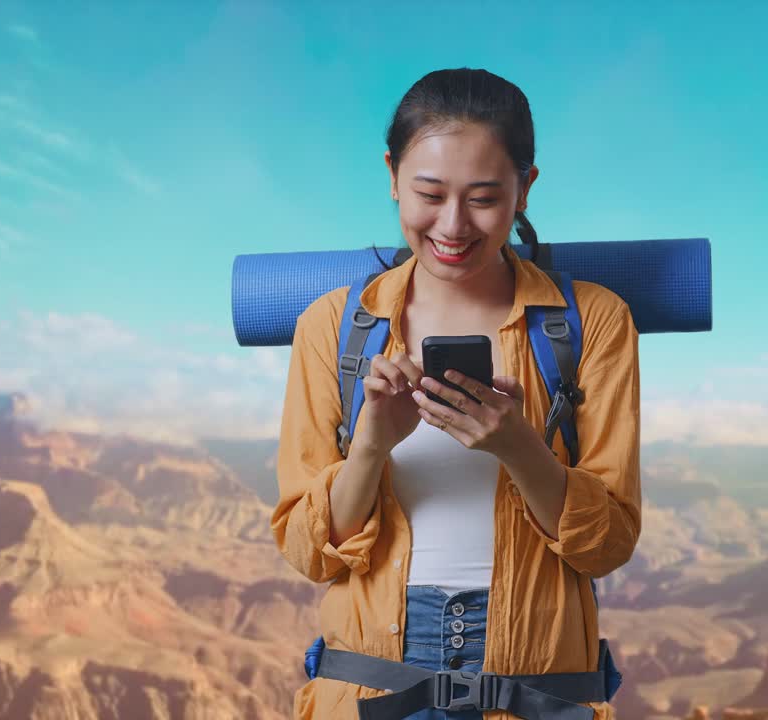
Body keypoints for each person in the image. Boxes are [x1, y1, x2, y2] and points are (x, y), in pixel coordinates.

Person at [273, 67, 641, 720]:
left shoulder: (593, 323)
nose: (452, 224)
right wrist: (369, 450)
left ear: (525, 188)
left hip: (536, 691)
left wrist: (522, 449)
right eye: (429, 192)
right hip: (367, 688)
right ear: (392, 176)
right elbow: (309, 553)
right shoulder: (332, 327)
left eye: (483, 197)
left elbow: (606, 546)